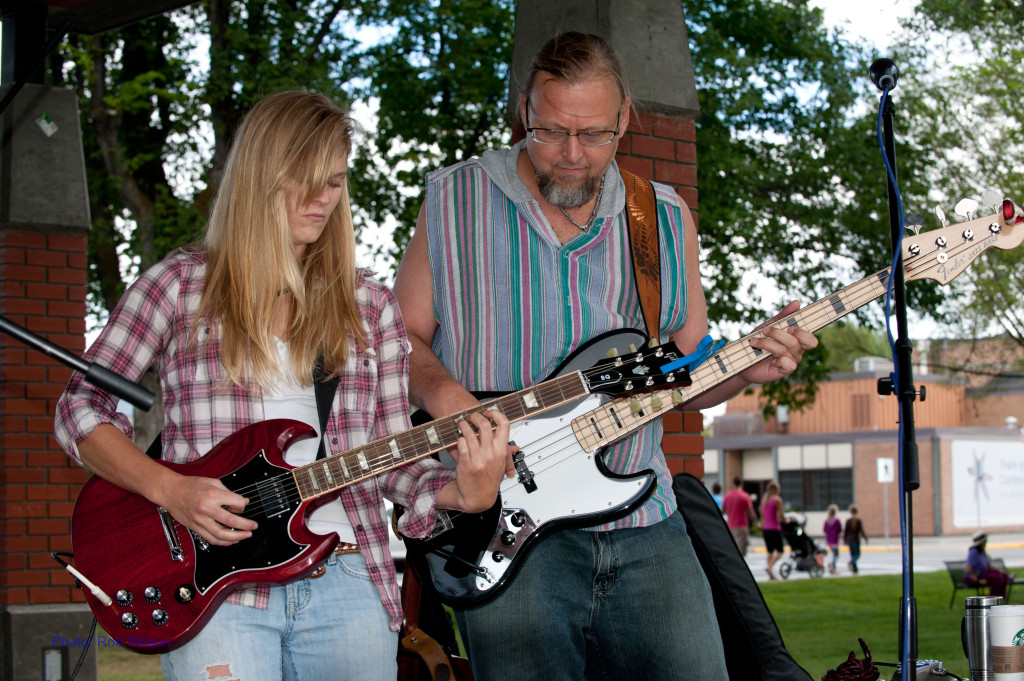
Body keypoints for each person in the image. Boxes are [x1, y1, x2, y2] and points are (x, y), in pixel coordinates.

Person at [393, 31, 819, 681]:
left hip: (647, 525)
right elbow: (400, 341)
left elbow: (685, 372)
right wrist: (449, 398)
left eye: (592, 134)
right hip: (508, 524)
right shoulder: (454, 200)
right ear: (523, 111)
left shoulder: (664, 219)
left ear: (624, 119)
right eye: (550, 131)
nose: (570, 154)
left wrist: (744, 367)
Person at [54, 91, 510, 681]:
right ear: (261, 174)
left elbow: (393, 462)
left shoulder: (369, 307)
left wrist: (464, 493)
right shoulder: (179, 286)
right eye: (306, 179)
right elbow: (80, 408)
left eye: (336, 181)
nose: (325, 199)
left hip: (348, 578)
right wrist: (169, 489)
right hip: (216, 590)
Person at [965, 531, 1014, 598]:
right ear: (981, 542)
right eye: (985, 540)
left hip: (984, 573)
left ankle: (1002, 598)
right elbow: (968, 570)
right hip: (975, 576)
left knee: (1003, 575)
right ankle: (993, 598)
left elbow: (988, 566)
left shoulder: (982, 551)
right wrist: (979, 581)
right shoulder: (974, 552)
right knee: (997, 578)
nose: (986, 541)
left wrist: (999, 570)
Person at [723, 475, 758, 555]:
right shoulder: (744, 496)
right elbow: (751, 512)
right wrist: (756, 523)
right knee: (741, 552)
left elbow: (722, 511)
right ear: (741, 484)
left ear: (733, 484)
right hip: (741, 526)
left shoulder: (727, 496)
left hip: (730, 527)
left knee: (733, 550)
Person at [762, 481, 785, 580]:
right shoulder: (777, 500)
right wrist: (786, 520)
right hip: (774, 528)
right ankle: (769, 567)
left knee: (770, 551)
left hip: (766, 528)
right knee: (780, 551)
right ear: (775, 489)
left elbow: (763, 515)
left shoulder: (764, 500)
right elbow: (782, 515)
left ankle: (770, 575)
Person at [844, 504, 869, 574]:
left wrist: (845, 540)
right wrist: (866, 539)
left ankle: (855, 570)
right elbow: (862, 531)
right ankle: (852, 563)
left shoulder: (848, 521)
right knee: (857, 555)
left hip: (850, 540)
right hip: (855, 540)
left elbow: (845, 532)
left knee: (853, 555)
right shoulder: (858, 520)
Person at [823, 504, 842, 575]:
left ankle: (833, 566)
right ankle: (833, 566)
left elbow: (824, 530)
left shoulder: (827, 521)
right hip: (835, 539)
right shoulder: (837, 521)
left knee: (834, 554)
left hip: (829, 540)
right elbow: (839, 529)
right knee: (836, 554)